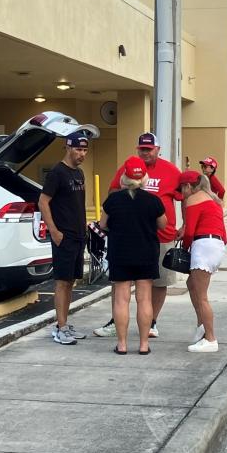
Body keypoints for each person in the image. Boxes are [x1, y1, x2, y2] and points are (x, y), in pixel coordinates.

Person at [94, 132, 181, 338]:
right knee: (121, 284)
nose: (145, 152)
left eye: (149, 149)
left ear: (158, 150)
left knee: (159, 283)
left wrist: (186, 225)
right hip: (128, 235)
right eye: (142, 149)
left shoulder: (171, 171)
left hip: (161, 236)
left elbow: (183, 196)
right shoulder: (126, 168)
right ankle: (116, 321)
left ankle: (152, 322)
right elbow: (112, 193)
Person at [100, 156, 166, 355]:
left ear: (124, 178)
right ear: (144, 178)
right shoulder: (153, 200)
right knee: (144, 300)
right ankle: (144, 345)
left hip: (120, 253)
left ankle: (122, 344)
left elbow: (103, 224)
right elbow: (163, 224)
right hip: (146, 252)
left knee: (122, 299)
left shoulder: (113, 200)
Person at [38, 132, 90, 345]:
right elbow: (43, 202)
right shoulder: (57, 173)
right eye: (78, 149)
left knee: (70, 282)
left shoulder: (79, 173)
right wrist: (54, 231)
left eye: (85, 150)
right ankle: (59, 327)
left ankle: (65, 324)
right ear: (68, 147)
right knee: (61, 282)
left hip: (78, 235)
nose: (82, 154)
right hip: (64, 236)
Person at [179, 169, 227, 353]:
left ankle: (210, 338)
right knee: (192, 284)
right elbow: (223, 232)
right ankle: (202, 327)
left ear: (189, 186)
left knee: (201, 296)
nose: (181, 193)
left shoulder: (193, 199)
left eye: (182, 188)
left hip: (203, 245)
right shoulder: (212, 199)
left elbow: (190, 231)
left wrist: (184, 249)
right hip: (216, 245)